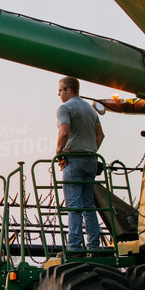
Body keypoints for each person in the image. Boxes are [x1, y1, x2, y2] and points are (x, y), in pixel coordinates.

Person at [56, 76, 105, 252]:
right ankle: (94, 245)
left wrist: (58, 152)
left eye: (61, 90)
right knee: (88, 205)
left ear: (69, 90)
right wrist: (90, 150)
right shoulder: (90, 110)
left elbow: (64, 131)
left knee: (74, 205)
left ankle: (74, 246)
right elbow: (100, 135)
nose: (59, 94)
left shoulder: (65, 108)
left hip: (74, 161)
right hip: (91, 160)